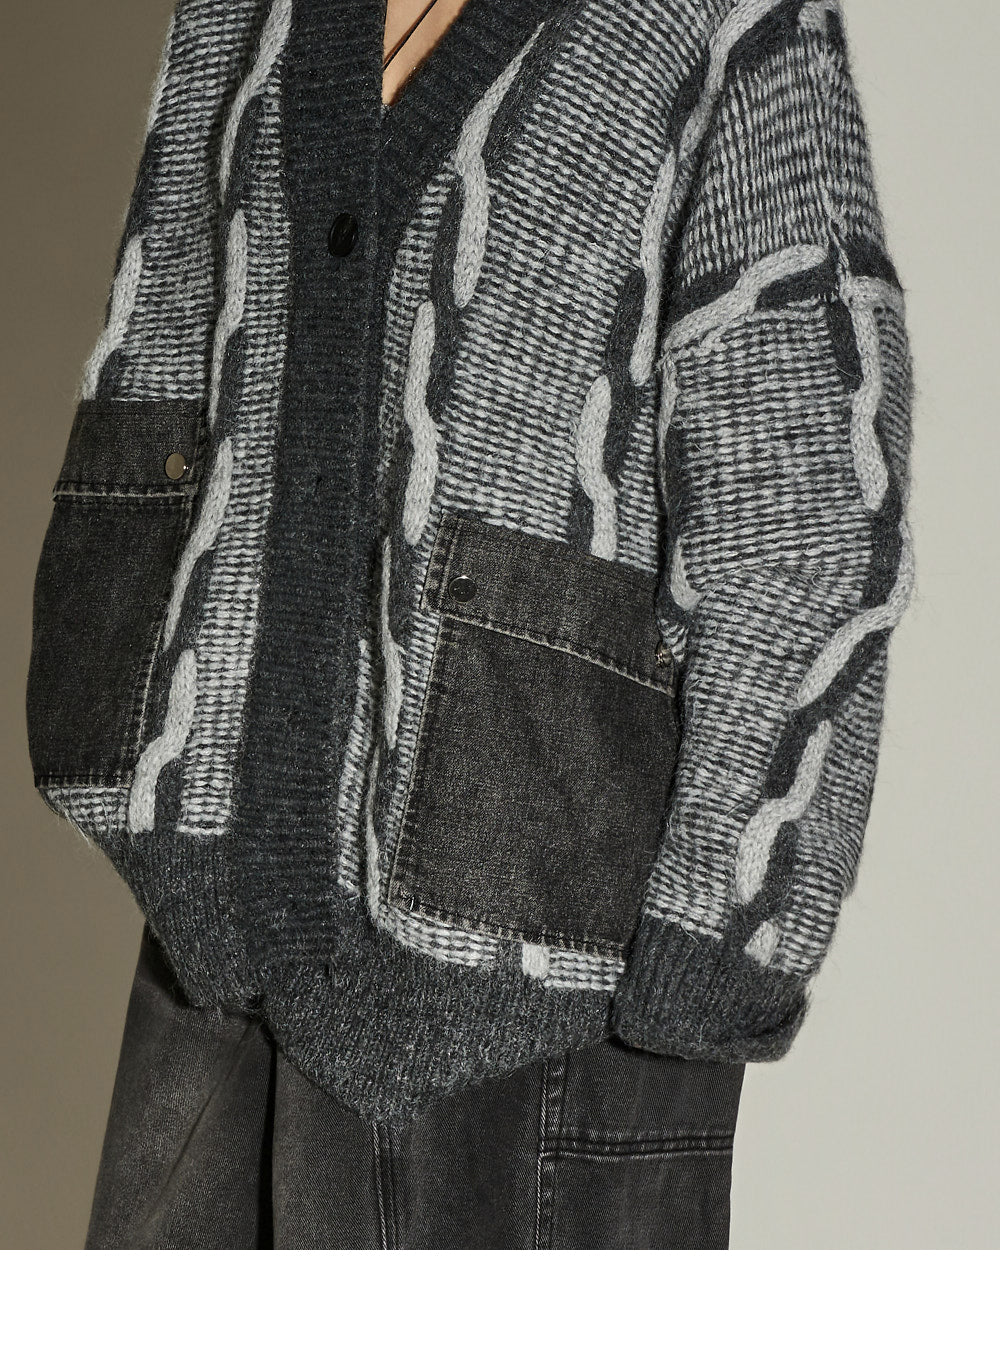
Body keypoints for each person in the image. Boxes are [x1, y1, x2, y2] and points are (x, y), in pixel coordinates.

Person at [25, 0, 913, 1248]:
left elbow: (802, 506)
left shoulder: (722, 23)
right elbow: (156, 363)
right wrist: (123, 760)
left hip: (545, 1004)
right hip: (213, 941)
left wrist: (717, 944)